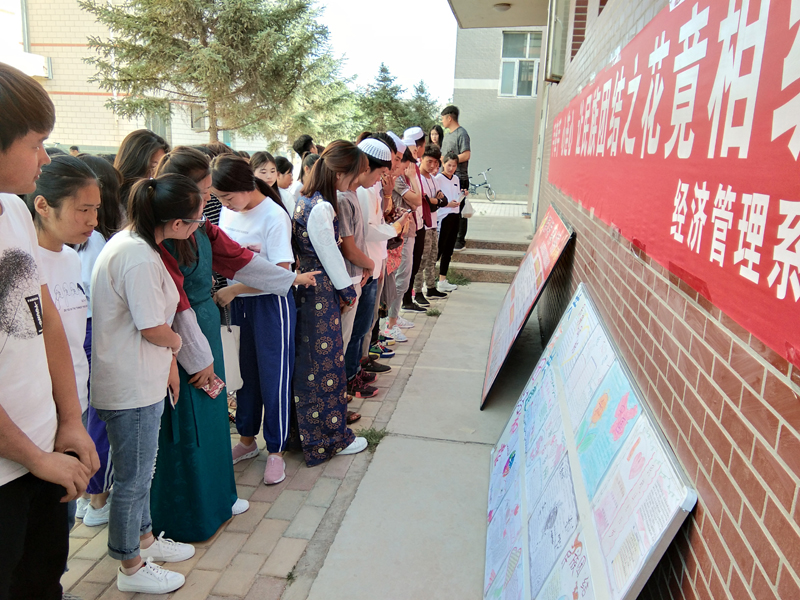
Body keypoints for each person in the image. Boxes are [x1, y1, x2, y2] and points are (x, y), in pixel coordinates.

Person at [150, 147, 314, 537]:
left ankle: (250, 468)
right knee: (216, 398)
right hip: (189, 332)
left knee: (246, 389)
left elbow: (239, 259)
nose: (213, 201)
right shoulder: (162, 236)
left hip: (221, 320)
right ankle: (211, 488)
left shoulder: (204, 226)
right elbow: (176, 299)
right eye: (208, 192)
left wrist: (287, 279)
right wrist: (194, 353)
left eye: (217, 193)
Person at [0, 61, 99, 600]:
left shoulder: (13, 213)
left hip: (43, 452)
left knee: (43, 581)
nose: (45, 157)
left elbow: (47, 322)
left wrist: (69, 421)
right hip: (13, 466)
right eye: (36, 143)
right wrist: (35, 456)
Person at [91, 174, 203, 593]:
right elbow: (152, 326)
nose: (197, 228)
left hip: (138, 377)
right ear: (176, 223)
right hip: (131, 383)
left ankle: (145, 540)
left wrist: (169, 359)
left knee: (139, 472)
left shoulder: (135, 244)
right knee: (134, 478)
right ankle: (131, 565)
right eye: (196, 221)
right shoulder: (137, 255)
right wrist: (177, 344)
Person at [26, 157, 100, 534]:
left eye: (96, 209)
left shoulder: (71, 258)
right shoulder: (22, 262)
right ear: (43, 205)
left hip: (75, 404)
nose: (93, 220)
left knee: (65, 514)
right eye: (82, 209)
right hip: (37, 412)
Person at [213, 155, 298, 485]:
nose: (224, 205)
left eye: (227, 197)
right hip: (238, 305)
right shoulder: (228, 210)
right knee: (243, 376)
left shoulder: (274, 216)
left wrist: (235, 289)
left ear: (245, 186)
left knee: (273, 378)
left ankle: (276, 450)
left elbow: (281, 274)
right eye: (219, 198)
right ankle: (247, 440)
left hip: (270, 306)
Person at [292, 141, 370, 466]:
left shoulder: (303, 199)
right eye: (354, 175)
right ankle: (330, 441)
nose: (355, 182)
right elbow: (331, 256)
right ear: (340, 173)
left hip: (308, 291)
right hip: (321, 293)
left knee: (308, 368)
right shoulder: (321, 207)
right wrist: (348, 293)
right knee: (327, 368)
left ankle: (305, 437)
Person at [73, 154, 124, 526]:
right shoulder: (98, 242)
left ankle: (87, 496)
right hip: (95, 330)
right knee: (100, 417)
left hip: (83, 331)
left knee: (84, 415)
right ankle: (96, 499)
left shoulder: (79, 242)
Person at [414, 144, 448, 301]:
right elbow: (428, 203)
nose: (433, 165)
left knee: (432, 257)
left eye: (435, 162)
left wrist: (436, 200)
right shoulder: (418, 179)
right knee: (422, 258)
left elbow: (443, 200)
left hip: (434, 223)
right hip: (424, 224)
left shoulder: (434, 179)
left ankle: (431, 287)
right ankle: (417, 291)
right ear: (421, 159)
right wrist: (436, 200)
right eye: (429, 161)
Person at [114, 129, 170, 214]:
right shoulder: (113, 204)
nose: (156, 175)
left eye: (161, 167)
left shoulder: (160, 197)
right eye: (152, 167)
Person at [440, 106, 471, 250]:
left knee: (459, 209)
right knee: (449, 207)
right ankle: (449, 238)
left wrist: (451, 161)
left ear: (449, 118)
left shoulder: (462, 133)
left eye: (442, 118)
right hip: (446, 178)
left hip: (460, 177)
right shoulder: (447, 136)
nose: (442, 121)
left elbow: (466, 154)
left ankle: (460, 240)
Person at [434, 152, 461, 294]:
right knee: (438, 249)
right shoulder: (438, 179)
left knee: (449, 250)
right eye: (449, 165)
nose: (451, 168)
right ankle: (427, 280)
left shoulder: (456, 178)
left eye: (454, 166)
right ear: (443, 164)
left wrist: (462, 196)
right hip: (444, 216)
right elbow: (436, 199)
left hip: (455, 215)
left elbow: (455, 195)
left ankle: (442, 280)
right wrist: (447, 204)